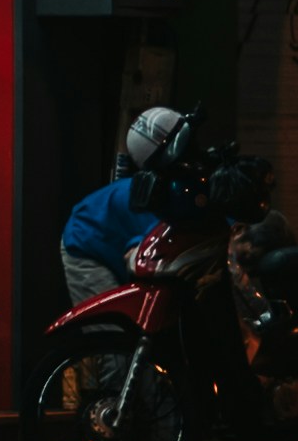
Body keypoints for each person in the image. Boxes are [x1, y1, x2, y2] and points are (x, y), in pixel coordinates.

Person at [57, 106, 197, 304]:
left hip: (110, 229)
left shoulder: (189, 189)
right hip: (87, 240)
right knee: (114, 319)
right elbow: (137, 256)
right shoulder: (157, 202)